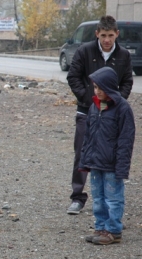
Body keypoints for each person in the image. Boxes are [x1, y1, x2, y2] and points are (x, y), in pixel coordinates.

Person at [66, 15, 133, 215]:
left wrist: (117, 102)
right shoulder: (85, 51)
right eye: (103, 35)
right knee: (82, 153)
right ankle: (78, 197)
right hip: (87, 112)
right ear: (97, 34)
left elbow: (128, 81)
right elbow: (73, 77)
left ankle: (108, 200)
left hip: (113, 115)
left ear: (116, 34)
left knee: (109, 155)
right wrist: (88, 99)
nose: (107, 40)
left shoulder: (123, 55)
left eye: (110, 35)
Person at [80, 67, 135, 245]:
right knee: (98, 198)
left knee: (113, 198)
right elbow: (88, 136)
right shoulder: (94, 107)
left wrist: (122, 167)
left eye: (101, 88)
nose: (97, 91)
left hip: (112, 164)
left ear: (110, 87)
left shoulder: (122, 109)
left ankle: (113, 230)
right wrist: (85, 159)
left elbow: (126, 140)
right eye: (95, 88)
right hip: (96, 163)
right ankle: (101, 227)